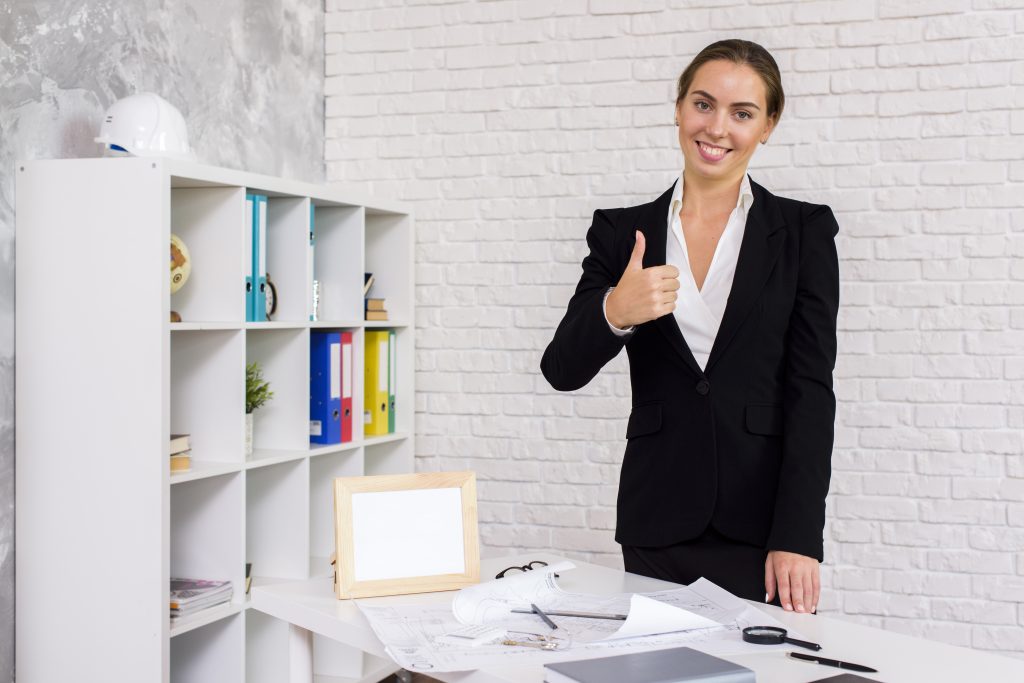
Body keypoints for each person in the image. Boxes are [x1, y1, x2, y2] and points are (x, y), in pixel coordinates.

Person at [540, 39, 839, 614]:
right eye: (703, 104)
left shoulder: (803, 233)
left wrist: (798, 537)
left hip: (761, 524)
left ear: (768, 125)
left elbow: (811, 391)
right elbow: (562, 370)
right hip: (658, 517)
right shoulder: (621, 233)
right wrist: (614, 312)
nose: (717, 128)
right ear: (679, 108)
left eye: (742, 113)